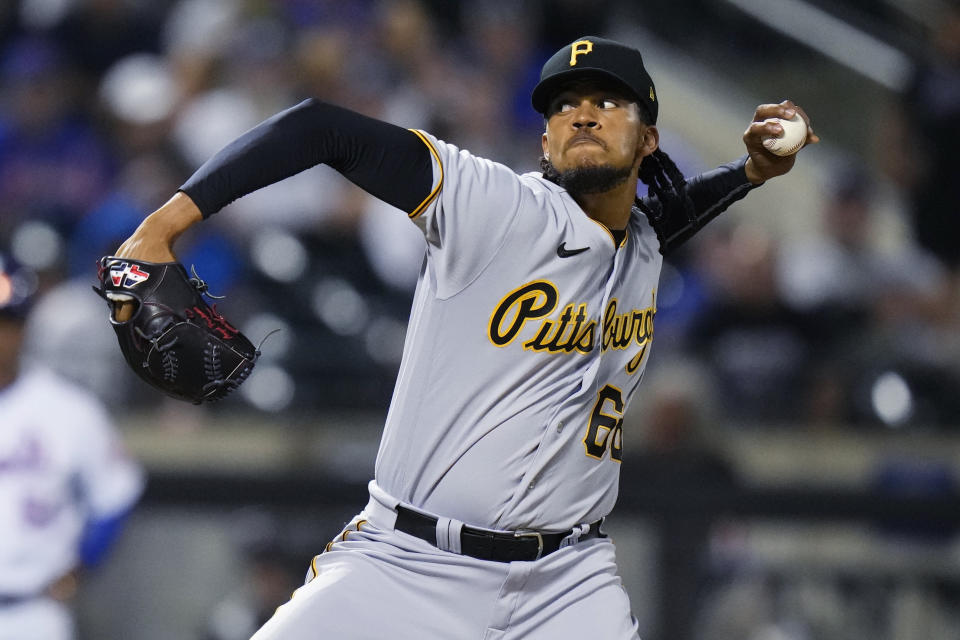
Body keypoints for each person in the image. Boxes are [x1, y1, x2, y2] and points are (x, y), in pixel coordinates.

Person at [112, 36, 816, 639]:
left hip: (568, 580)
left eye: (608, 101)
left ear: (649, 138)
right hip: (409, 562)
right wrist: (163, 227)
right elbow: (319, 127)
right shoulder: (494, 206)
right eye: (564, 105)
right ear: (544, 140)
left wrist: (751, 174)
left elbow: (661, 221)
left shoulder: (639, 245)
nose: (582, 115)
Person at [0, 254, 144, 640]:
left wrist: (80, 567)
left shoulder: (68, 409)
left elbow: (117, 493)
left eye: (6, 324)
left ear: (24, 327)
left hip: (33, 613)